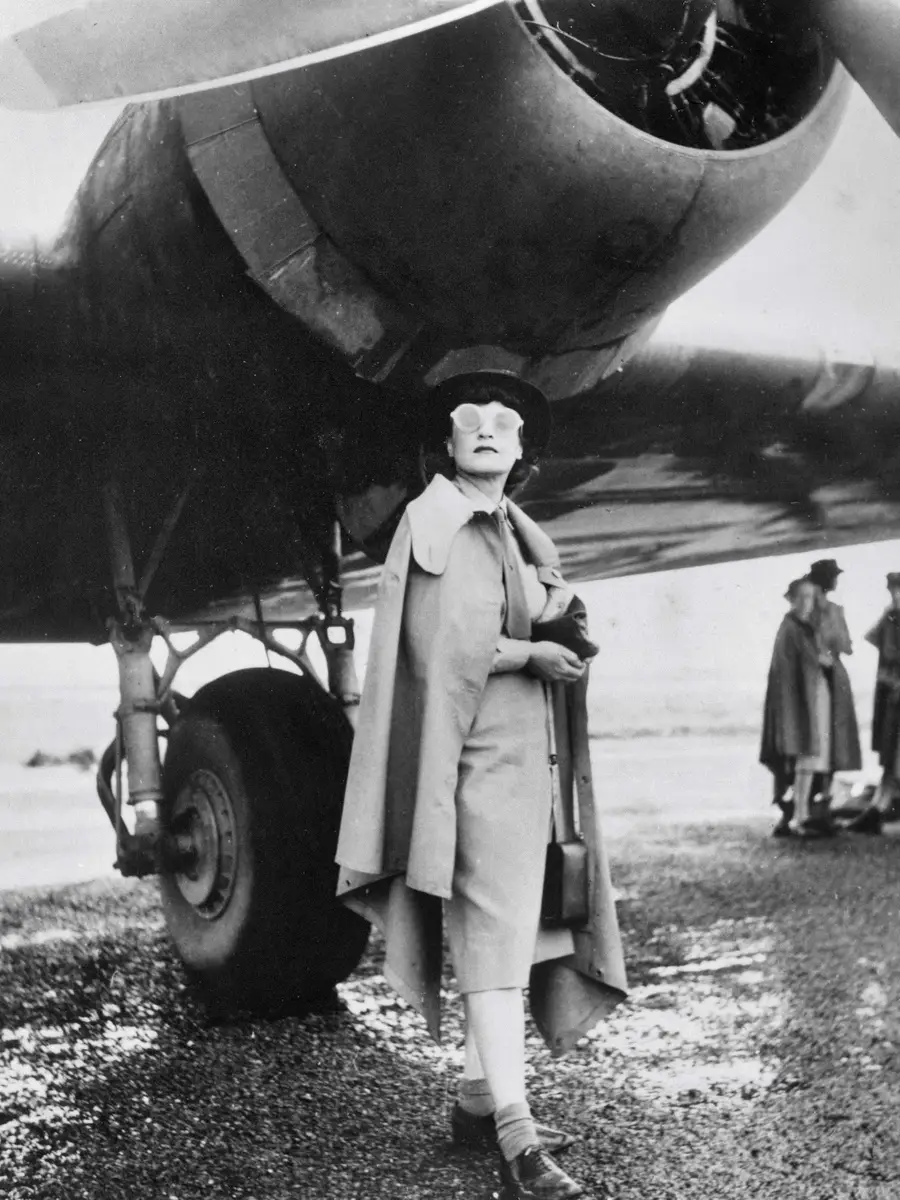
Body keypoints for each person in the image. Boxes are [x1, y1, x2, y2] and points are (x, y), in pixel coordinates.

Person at [335, 371, 627, 1200]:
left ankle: (474, 1099)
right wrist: (533, 651)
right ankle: (517, 1136)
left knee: (512, 933)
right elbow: (442, 648)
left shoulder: (511, 527)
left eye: (508, 422)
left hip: (519, 758)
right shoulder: (436, 522)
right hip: (471, 763)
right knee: (496, 942)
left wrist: (557, 619)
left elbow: (523, 605)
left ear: (524, 447)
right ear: (450, 442)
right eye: (474, 421)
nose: (492, 431)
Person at [760, 578, 837, 838]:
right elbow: (789, 669)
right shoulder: (791, 628)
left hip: (812, 699)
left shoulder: (803, 627)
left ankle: (801, 813)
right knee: (805, 756)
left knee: (810, 757)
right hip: (803, 703)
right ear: (792, 599)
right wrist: (820, 661)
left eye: (810, 597)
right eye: (802, 597)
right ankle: (799, 816)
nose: (807, 603)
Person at [806, 558, 862, 815]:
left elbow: (846, 645)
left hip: (831, 675)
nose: (836, 580)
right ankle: (818, 799)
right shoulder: (824, 610)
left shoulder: (826, 609)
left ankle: (820, 800)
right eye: (833, 576)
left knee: (830, 737)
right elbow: (845, 645)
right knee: (823, 737)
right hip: (824, 674)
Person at [847, 572, 900, 834]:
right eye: (894, 591)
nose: (896, 596)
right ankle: (878, 808)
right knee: (891, 758)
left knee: (894, 757)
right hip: (893, 696)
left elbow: (887, 651)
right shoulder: (891, 616)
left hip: (895, 694)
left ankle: (878, 809)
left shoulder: (892, 617)